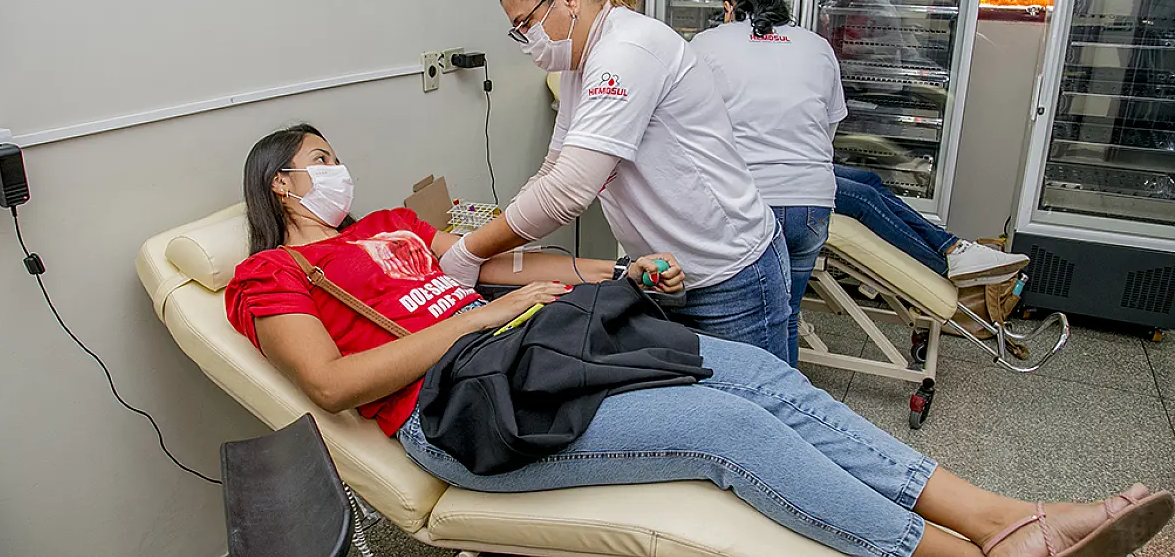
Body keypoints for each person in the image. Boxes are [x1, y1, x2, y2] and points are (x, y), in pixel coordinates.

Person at [225, 126, 1173, 557]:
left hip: (543, 357)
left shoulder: (388, 222)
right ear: (281, 187)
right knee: (722, 429)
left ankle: (1006, 514)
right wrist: (470, 323)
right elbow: (334, 381)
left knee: (759, 372)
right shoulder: (268, 277)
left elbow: (502, 271)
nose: (337, 169)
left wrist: (616, 277)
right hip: (467, 416)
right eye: (320, 161)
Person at [436, 0, 798, 364]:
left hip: (729, 277)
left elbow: (567, 193)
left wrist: (470, 251)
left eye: (525, 24)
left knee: (761, 411)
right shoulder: (579, 62)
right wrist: (490, 239)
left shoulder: (627, 51)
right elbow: (553, 171)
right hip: (666, 273)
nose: (524, 41)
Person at [689, 0, 844, 367]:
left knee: (729, 323)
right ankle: (785, 404)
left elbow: (689, 123)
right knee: (786, 315)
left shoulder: (706, 44)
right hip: (812, 200)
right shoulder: (817, 45)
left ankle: (745, 410)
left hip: (745, 200)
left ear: (730, 6)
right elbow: (829, 128)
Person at [835, 164, 1031, 282]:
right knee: (864, 197)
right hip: (803, 181)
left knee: (870, 180)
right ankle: (945, 268)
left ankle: (953, 249)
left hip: (808, 160)